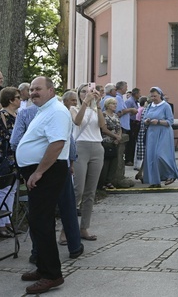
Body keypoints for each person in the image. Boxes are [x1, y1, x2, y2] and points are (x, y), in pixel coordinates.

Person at [16, 76, 72, 294]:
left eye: (38, 89)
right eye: (31, 89)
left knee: (41, 220)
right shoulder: (44, 110)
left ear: (51, 90)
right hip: (41, 171)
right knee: (39, 220)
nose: (33, 92)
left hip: (47, 171)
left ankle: (52, 274)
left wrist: (39, 172)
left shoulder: (57, 111)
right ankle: (43, 266)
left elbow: (57, 144)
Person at [71, 83, 106, 241]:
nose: (86, 93)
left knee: (90, 192)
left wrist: (97, 105)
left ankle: (84, 227)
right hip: (81, 147)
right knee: (78, 190)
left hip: (97, 147)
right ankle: (67, 228)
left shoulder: (94, 109)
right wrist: (85, 102)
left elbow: (101, 125)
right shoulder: (74, 109)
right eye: (83, 92)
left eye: (89, 91)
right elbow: (77, 122)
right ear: (78, 94)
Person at [0, 86, 21, 237]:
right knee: (3, 189)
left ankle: (7, 220)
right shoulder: (1, 115)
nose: (20, 100)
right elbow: (6, 134)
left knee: (12, 189)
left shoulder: (16, 114)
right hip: (5, 155)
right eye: (18, 97)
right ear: (10, 100)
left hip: (15, 154)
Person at [142, 87, 178, 187]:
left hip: (164, 132)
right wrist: (147, 121)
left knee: (160, 155)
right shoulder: (149, 106)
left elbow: (170, 121)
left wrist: (159, 122)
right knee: (152, 157)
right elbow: (144, 119)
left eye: (155, 96)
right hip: (152, 133)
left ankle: (171, 174)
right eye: (151, 96)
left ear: (160, 95)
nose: (153, 98)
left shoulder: (165, 106)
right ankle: (155, 181)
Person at [99, 96, 124, 190]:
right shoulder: (104, 115)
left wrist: (119, 136)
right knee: (106, 163)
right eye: (113, 104)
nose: (115, 106)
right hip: (106, 141)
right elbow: (104, 129)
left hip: (115, 142)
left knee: (114, 163)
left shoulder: (116, 115)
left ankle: (109, 181)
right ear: (108, 105)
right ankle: (103, 182)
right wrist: (115, 136)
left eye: (115, 104)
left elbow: (119, 127)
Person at [124, 88, 141, 166]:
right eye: (139, 93)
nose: (140, 95)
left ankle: (131, 159)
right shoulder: (129, 101)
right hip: (130, 122)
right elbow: (125, 112)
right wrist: (132, 112)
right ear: (136, 94)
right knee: (130, 142)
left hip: (134, 122)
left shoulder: (135, 101)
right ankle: (128, 159)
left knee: (133, 141)